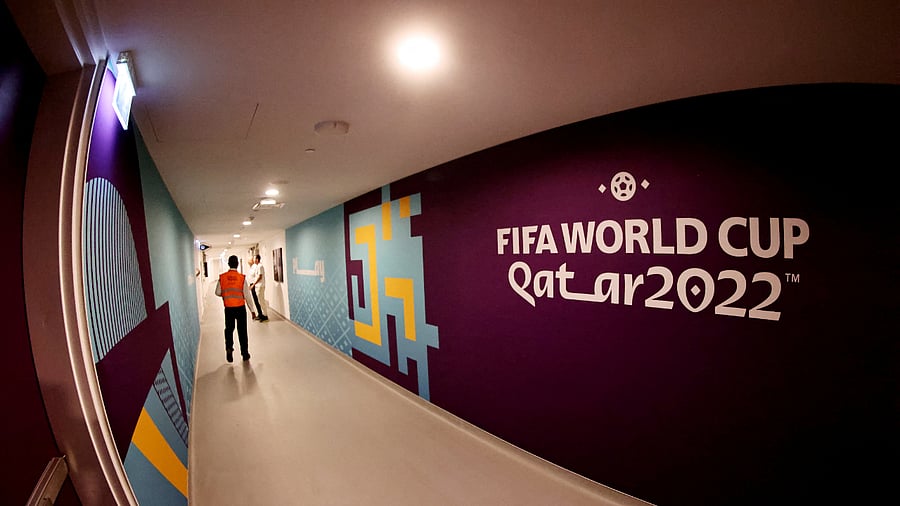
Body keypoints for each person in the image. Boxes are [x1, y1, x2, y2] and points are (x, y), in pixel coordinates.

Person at [215, 255, 255, 362]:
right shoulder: (242, 278)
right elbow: (247, 295)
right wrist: (252, 310)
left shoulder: (222, 277)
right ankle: (245, 354)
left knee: (229, 329)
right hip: (240, 308)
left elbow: (217, 292)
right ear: (237, 264)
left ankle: (229, 348)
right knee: (242, 331)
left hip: (228, 308)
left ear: (228, 264)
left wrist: (226, 294)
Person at [249, 253, 269, 322]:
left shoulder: (260, 266)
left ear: (257, 259)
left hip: (260, 286)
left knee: (261, 301)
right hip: (258, 286)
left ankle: (265, 315)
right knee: (260, 301)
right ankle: (262, 315)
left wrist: (253, 284)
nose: (254, 260)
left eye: (254, 259)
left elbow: (260, 277)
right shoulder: (258, 266)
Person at [247, 255, 261, 320]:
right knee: (255, 300)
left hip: (254, 285)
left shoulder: (255, 267)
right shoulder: (251, 267)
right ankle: (259, 313)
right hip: (251, 285)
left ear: (252, 261)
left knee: (256, 300)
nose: (248, 261)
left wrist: (253, 285)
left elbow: (257, 276)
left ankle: (260, 314)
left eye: (249, 260)